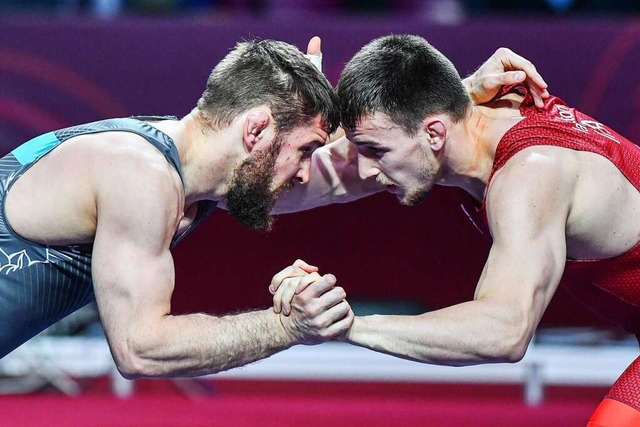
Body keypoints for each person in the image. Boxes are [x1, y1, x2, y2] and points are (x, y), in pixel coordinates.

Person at [0, 35, 545, 380]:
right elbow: (141, 349)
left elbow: (350, 172)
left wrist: (456, 97)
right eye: (304, 150)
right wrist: (289, 328)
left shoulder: (193, 167)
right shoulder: (139, 174)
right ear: (257, 128)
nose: (308, 170)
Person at [271, 35, 640, 425]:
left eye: (376, 152)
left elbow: (504, 331)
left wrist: (345, 325)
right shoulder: (466, 117)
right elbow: (290, 188)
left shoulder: (530, 172)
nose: (365, 171)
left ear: (434, 134)